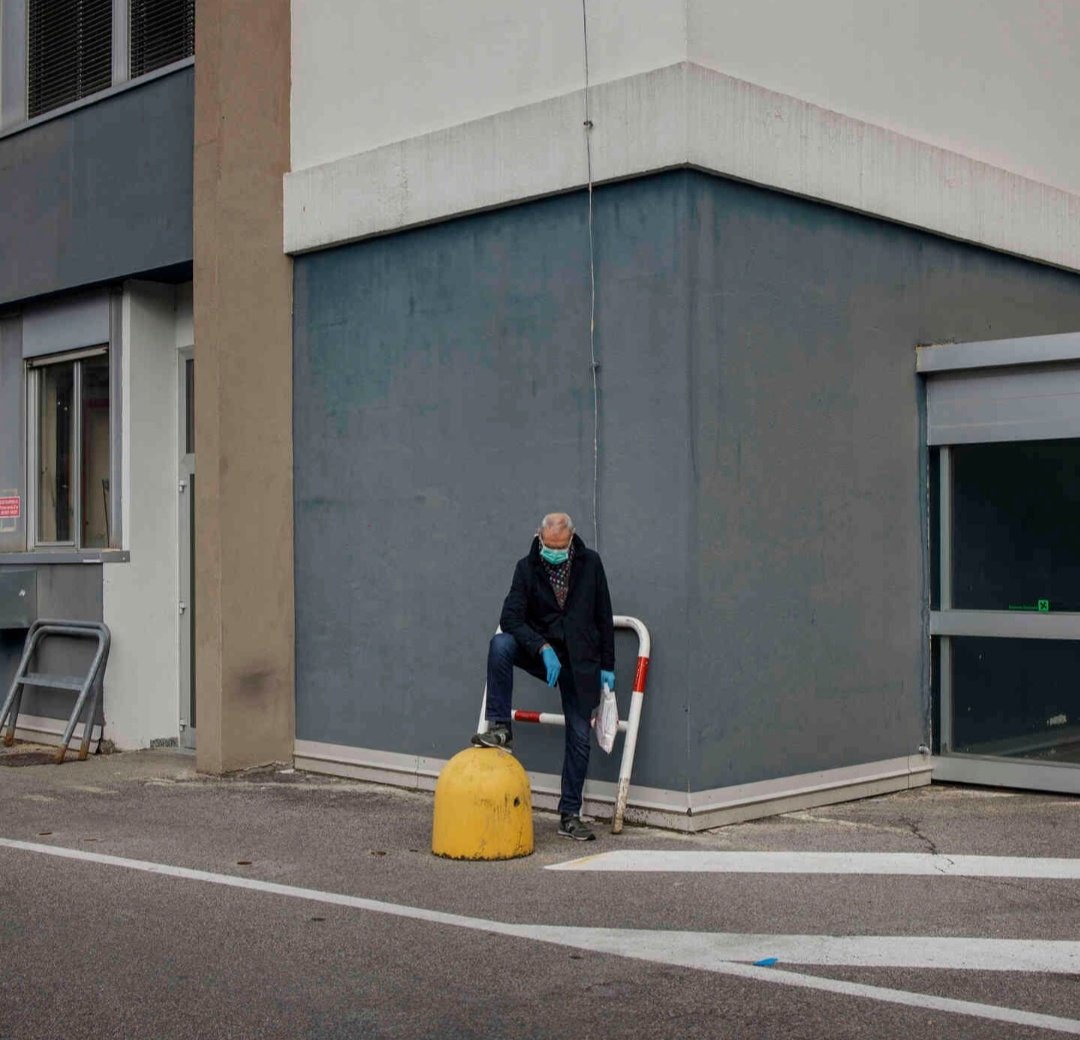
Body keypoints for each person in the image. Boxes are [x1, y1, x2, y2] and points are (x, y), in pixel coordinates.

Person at [472, 512, 615, 841]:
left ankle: (569, 814)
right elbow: (509, 617)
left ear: (571, 540)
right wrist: (541, 648)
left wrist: (608, 665)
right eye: (548, 546)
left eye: (560, 547)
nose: (553, 552)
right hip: (544, 655)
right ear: (539, 537)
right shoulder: (527, 567)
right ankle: (501, 729)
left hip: (581, 662)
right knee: (501, 644)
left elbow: (603, 616)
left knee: (579, 736)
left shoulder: (591, 564)